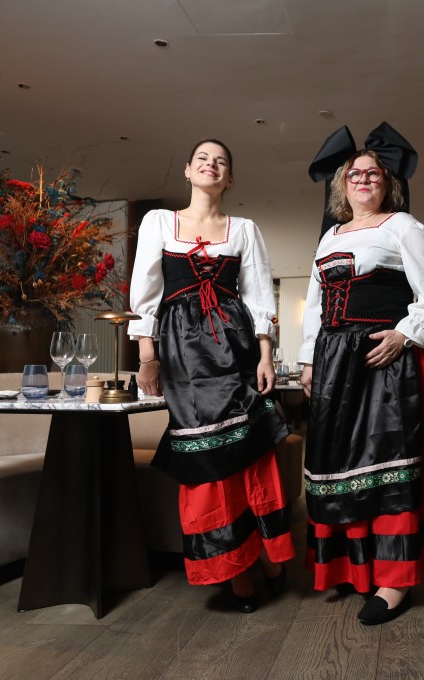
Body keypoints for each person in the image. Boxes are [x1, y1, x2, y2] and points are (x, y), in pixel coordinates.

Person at [128, 138, 294, 613]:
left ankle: (267, 556)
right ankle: (237, 571)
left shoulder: (244, 229)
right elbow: (146, 293)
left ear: (230, 178)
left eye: (220, 161)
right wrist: (148, 356)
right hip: (183, 353)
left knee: (251, 451)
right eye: (202, 158)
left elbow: (260, 294)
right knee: (206, 459)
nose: (210, 165)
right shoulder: (158, 222)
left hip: (236, 345)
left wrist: (265, 355)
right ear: (187, 170)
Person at [299, 124, 424, 626]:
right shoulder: (329, 236)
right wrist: (308, 359)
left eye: (374, 173)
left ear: (388, 183)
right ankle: (353, 567)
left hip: (383, 361)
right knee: (340, 464)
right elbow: (317, 305)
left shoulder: (404, 227)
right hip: (333, 362)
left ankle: (394, 580)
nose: (364, 179)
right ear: (342, 184)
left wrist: (403, 336)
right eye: (355, 173)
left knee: (387, 465)